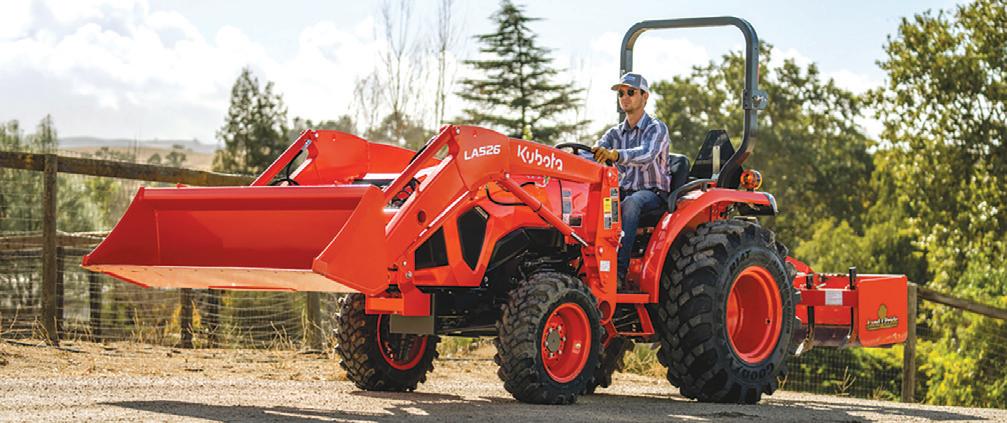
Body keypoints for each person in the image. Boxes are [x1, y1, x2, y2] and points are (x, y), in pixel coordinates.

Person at [591, 72, 671, 289]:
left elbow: (647, 154)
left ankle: (618, 272)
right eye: (621, 93)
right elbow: (596, 151)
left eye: (630, 92)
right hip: (624, 191)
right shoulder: (615, 133)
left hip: (653, 194)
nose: (624, 97)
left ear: (645, 96)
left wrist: (616, 155)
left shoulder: (656, 128)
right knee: (592, 202)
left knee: (631, 203)